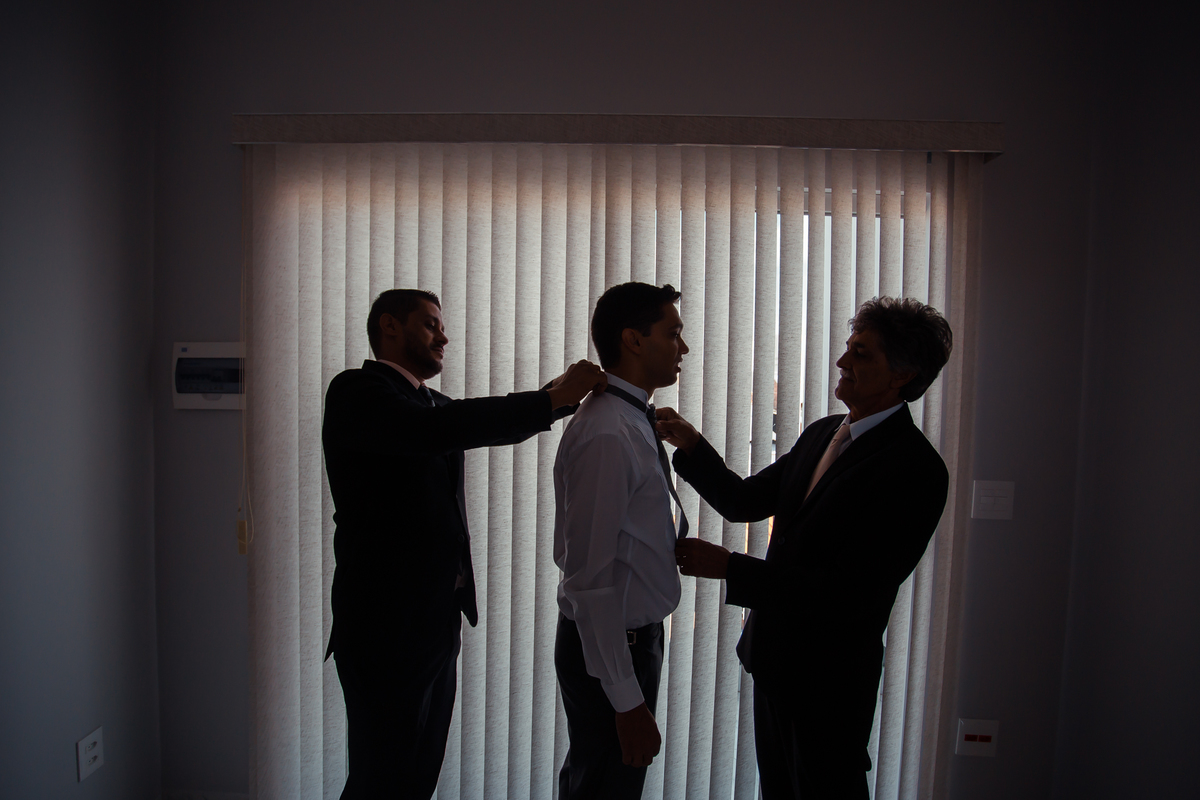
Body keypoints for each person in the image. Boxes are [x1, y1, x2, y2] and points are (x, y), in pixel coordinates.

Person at [659, 297, 953, 799]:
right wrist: (691, 445)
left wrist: (731, 567)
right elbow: (744, 500)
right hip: (774, 663)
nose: (842, 361)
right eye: (848, 347)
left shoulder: (916, 470)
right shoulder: (822, 434)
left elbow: (851, 593)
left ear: (903, 375)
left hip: (831, 682)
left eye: (861, 353)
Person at [322, 289, 605, 800]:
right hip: (383, 626)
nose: (444, 336)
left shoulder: (432, 404)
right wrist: (554, 397)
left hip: (436, 619)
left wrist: (562, 394)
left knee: (419, 770)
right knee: (380, 777)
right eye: (431, 324)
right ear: (389, 325)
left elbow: (476, 422)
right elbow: (436, 430)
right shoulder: (357, 391)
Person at [553, 282, 691, 799]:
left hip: (630, 641)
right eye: (673, 334)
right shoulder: (609, 430)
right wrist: (626, 700)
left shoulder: (630, 418)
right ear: (633, 340)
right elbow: (589, 579)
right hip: (614, 648)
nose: (683, 348)